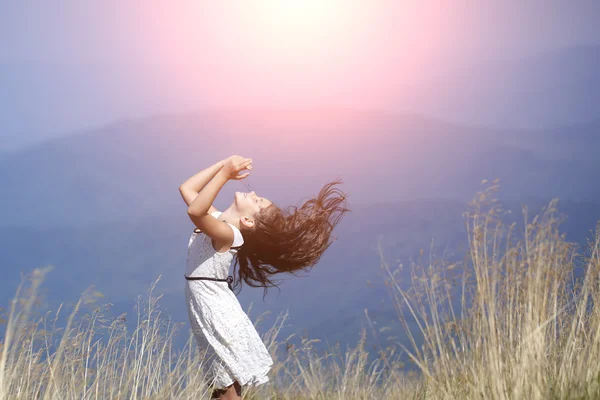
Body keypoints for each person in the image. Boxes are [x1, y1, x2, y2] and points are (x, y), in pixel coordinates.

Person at [179, 155, 349, 399]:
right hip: (209, 308)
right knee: (219, 388)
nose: (253, 193)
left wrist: (225, 174)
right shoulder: (217, 220)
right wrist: (221, 165)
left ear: (247, 220)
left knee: (224, 388)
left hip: (216, 313)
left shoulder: (228, 234)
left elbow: (195, 210)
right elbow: (187, 188)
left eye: (256, 200)